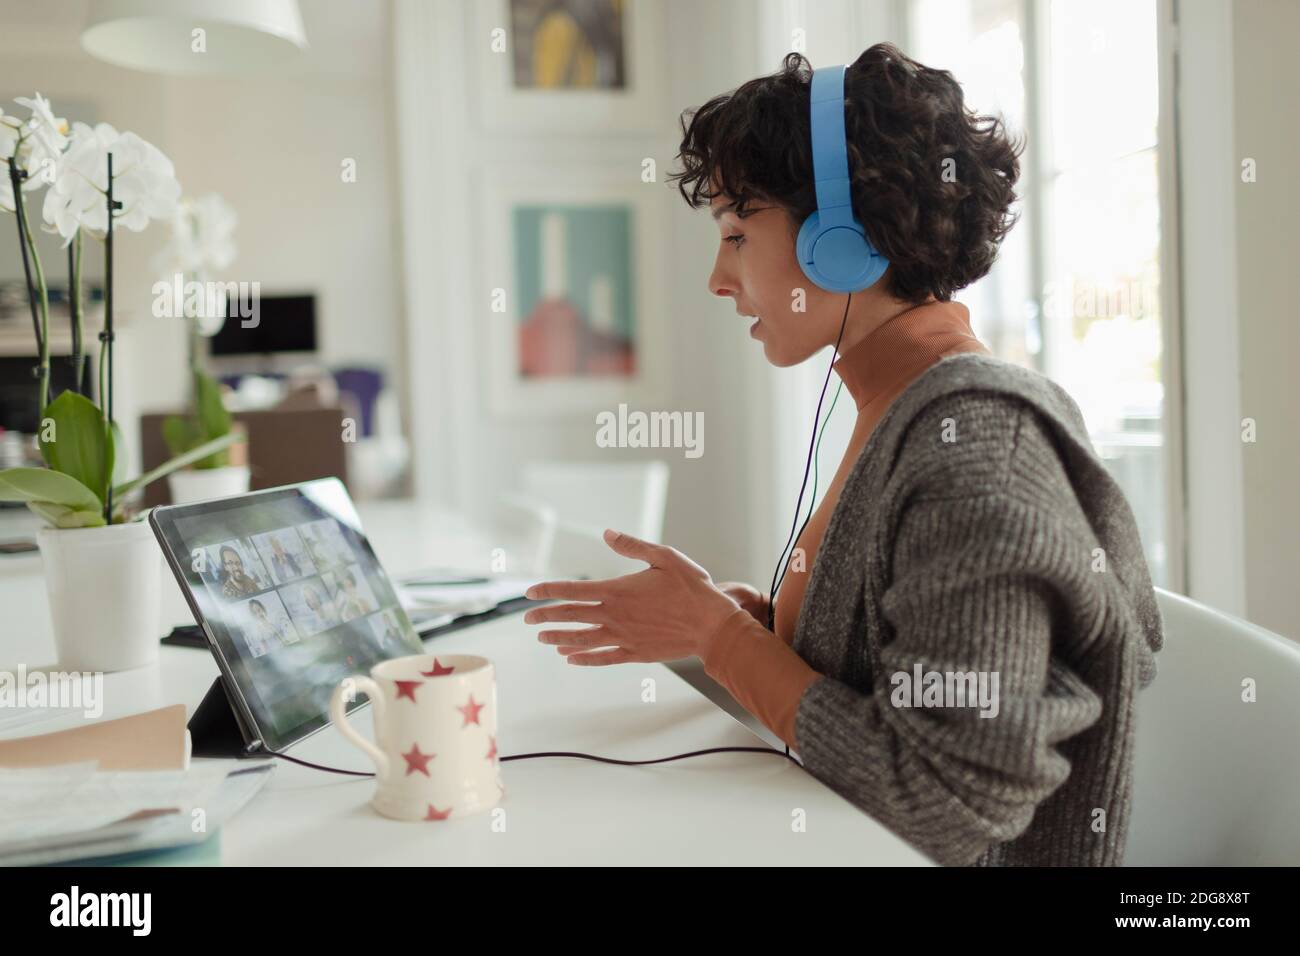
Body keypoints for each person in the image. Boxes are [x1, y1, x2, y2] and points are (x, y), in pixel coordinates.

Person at [520, 45, 1162, 867]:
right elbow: (886, 669)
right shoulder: (899, 408)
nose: (718, 278)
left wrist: (721, 639)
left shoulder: (975, 453)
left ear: (844, 239)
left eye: (736, 234)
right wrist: (736, 622)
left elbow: (944, 806)